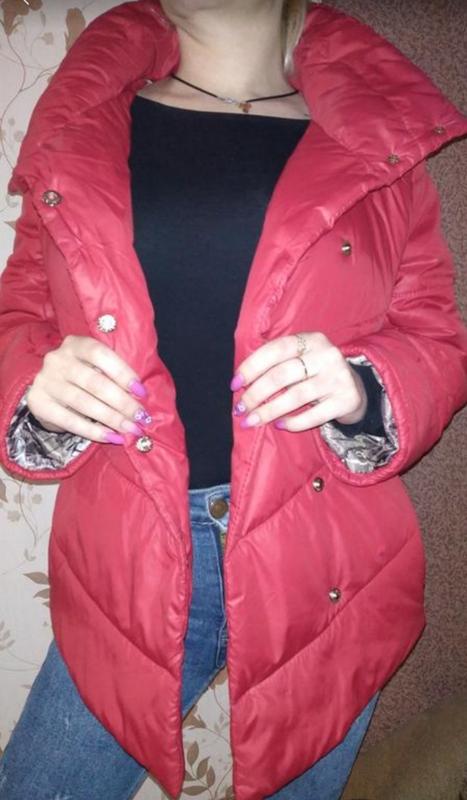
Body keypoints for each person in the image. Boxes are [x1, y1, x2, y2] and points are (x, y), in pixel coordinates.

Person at [0, 0, 466, 798]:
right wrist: (32, 380)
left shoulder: (376, 140)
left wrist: (362, 384)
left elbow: (435, 335)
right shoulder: (83, 127)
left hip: (324, 556)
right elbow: (20, 311)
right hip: (130, 545)